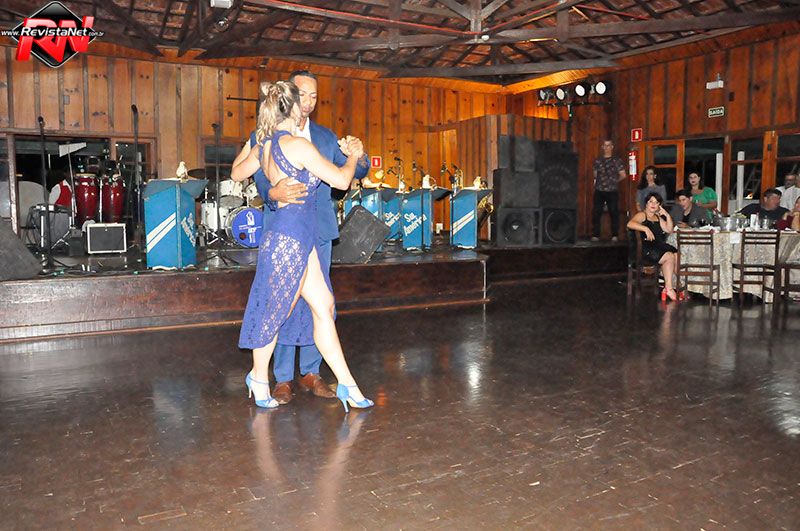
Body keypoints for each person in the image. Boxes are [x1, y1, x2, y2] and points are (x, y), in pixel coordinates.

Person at [232, 70, 368, 405]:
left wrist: (358, 155)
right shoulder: (297, 144)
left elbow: (237, 172)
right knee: (277, 310)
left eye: (313, 97)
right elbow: (341, 181)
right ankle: (260, 377)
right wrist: (352, 157)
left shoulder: (266, 143)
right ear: (292, 107)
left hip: (302, 236)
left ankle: (347, 384)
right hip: (290, 238)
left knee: (323, 306)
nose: (308, 104)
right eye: (302, 98)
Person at [626, 192, 679, 301]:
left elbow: (669, 229)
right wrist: (645, 228)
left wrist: (667, 215)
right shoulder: (642, 215)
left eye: (656, 202)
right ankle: (669, 288)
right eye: (651, 201)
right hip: (645, 250)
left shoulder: (657, 217)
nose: (653, 204)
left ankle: (676, 286)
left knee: (676, 255)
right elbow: (630, 224)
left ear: (659, 205)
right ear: (646, 203)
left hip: (657, 247)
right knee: (669, 256)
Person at [591, 139, 627, 242]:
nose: (607, 147)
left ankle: (615, 235)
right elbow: (595, 175)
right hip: (599, 190)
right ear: (602, 147)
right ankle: (595, 235)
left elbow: (623, 175)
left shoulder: (617, 160)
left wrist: (614, 181)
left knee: (614, 212)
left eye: (608, 145)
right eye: (605, 145)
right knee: (596, 212)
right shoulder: (597, 161)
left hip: (612, 191)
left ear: (612, 147)